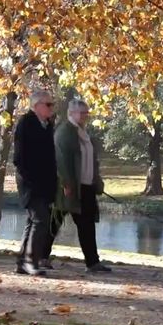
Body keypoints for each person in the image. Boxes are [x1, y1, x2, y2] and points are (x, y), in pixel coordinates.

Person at [51, 99, 110, 273]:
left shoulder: (83, 133)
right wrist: (66, 183)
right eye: (82, 113)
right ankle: (39, 257)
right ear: (72, 113)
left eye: (87, 113)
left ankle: (93, 262)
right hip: (69, 188)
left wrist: (96, 181)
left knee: (87, 224)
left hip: (86, 186)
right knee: (54, 222)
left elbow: (92, 160)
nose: (85, 116)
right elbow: (61, 161)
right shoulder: (64, 132)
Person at [13, 90, 57, 276]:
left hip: (44, 184)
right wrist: (30, 181)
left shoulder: (47, 125)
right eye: (48, 105)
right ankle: (30, 262)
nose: (51, 109)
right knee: (41, 220)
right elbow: (20, 157)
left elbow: (50, 158)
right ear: (37, 105)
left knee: (34, 221)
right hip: (31, 183)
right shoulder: (26, 123)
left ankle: (23, 262)